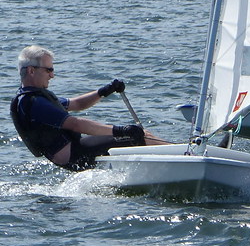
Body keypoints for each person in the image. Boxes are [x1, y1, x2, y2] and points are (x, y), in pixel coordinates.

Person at [10, 45, 165, 171]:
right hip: (75, 155)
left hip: (75, 150)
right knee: (140, 136)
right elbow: (76, 124)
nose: (52, 75)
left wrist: (104, 91)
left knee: (141, 135)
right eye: (48, 70)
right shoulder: (34, 103)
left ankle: (166, 157)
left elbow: (77, 104)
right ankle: (178, 156)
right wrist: (120, 130)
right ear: (31, 70)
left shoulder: (34, 98)